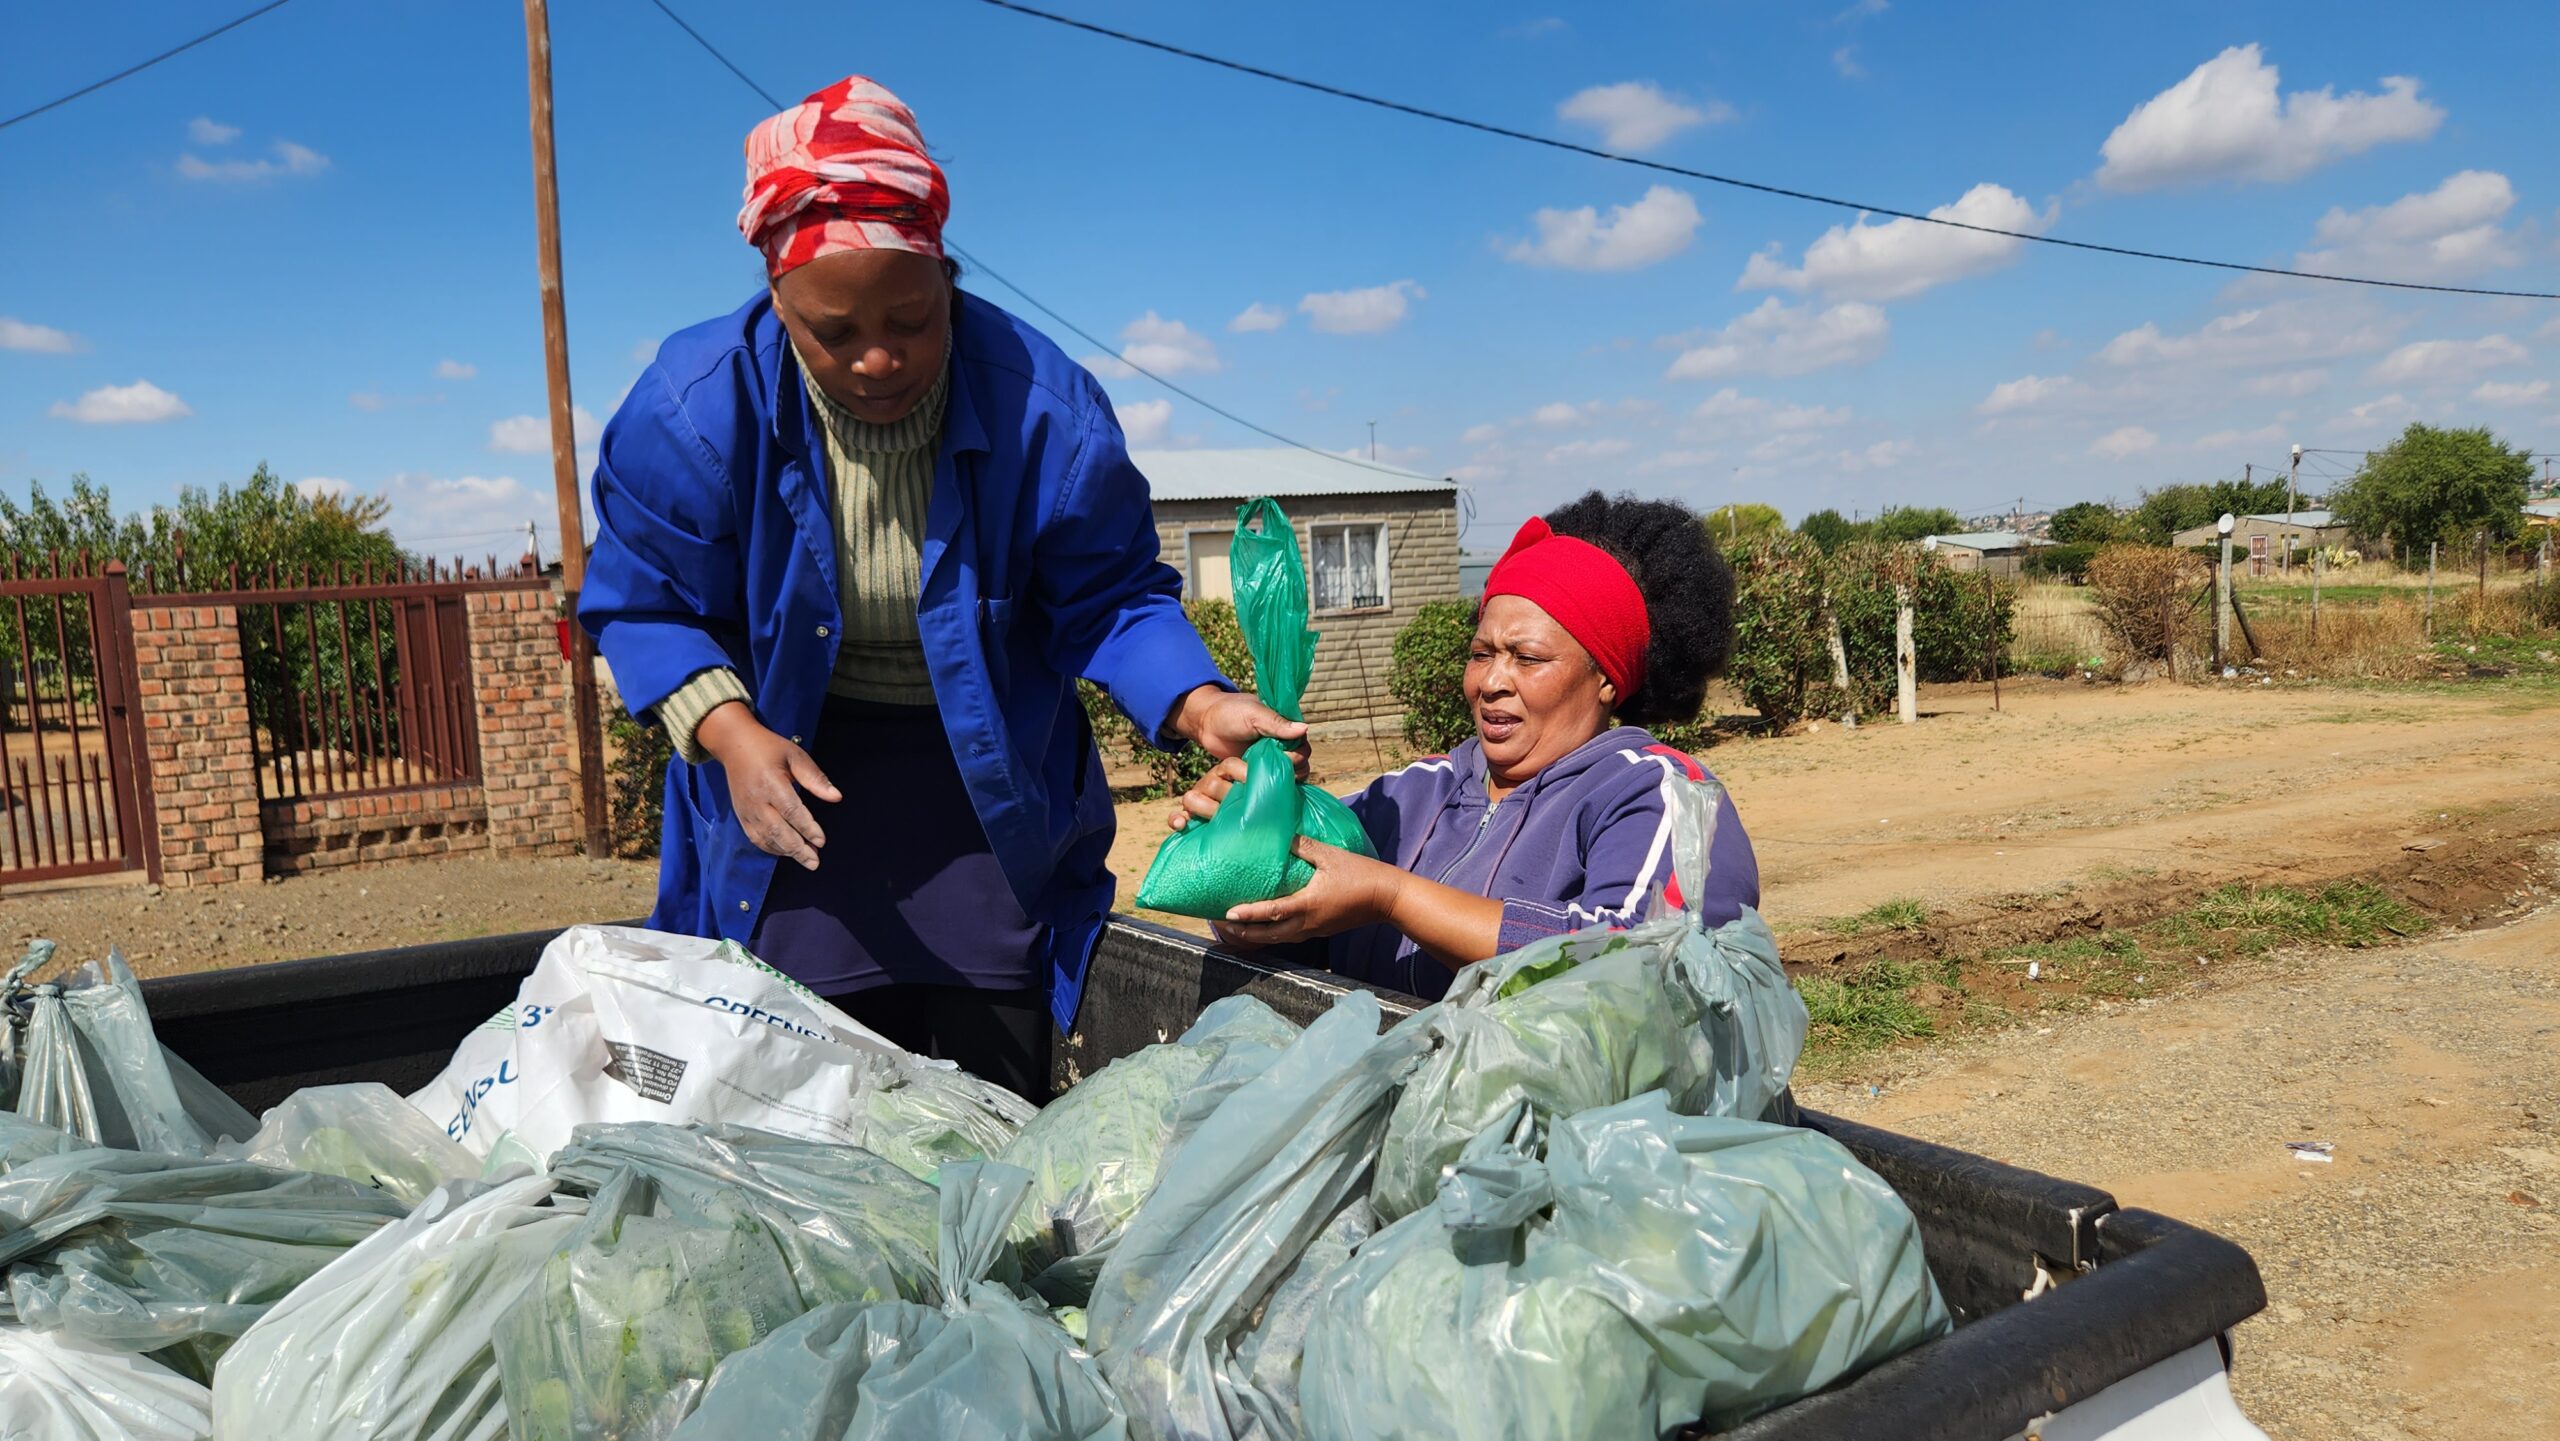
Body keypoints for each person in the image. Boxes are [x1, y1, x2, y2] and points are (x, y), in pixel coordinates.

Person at [579, 77, 1298, 1098]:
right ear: (776, 298)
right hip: (788, 787)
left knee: (990, 1096)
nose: (878, 358)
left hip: (987, 796)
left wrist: (1198, 700)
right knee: (798, 1087)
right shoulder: (693, 412)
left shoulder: (1043, 412)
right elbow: (645, 602)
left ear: (946, 277)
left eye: (913, 319)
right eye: (833, 332)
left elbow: (1111, 595)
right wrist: (730, 735)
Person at [1170, 492, 1760, 1000]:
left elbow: (1640, 962)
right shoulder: (1411, 794)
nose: (1491, 681)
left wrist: (1391, 896)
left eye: (1528, 658)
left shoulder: (1656, 792)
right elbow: (1290, 926)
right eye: (1481, 654)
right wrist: (1246, 848)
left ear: (1605, 678)